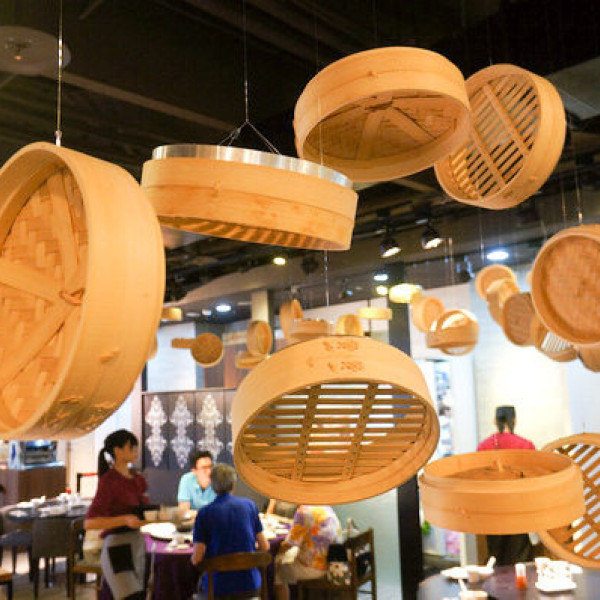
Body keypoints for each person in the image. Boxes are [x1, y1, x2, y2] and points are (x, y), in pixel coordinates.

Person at [85, 429, 149, 600]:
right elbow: (90, 523)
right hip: (117, 546)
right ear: (117, 451)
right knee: (130, 596)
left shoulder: (137, 478)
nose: (135, 451)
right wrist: (124, 520)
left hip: (137, 543)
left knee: (140, 595)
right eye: (131, 447)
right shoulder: (109, 481)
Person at [191, 463, 269, 598]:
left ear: (212, 485)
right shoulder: (249, 506)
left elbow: (196, 559)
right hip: (250, 585)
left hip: (217, 589)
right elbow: (265, 546)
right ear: (233, 484)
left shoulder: (204, 513)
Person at [477, 405, 535, 565]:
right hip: (519, 508)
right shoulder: (526, 445)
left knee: (496, 555)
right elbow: (534, 479)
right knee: (519, 557)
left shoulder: (484, 446)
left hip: (492, 509)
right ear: (514, 420)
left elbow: (478, 479)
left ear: (495, 421)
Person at [274, 505, 341, 600]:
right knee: (290, 555)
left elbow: (289, 544)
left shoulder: (303, 511)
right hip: (333, 563)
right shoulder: (326, 507)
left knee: (280, 572)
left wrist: (276, 552)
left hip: (317, 567)